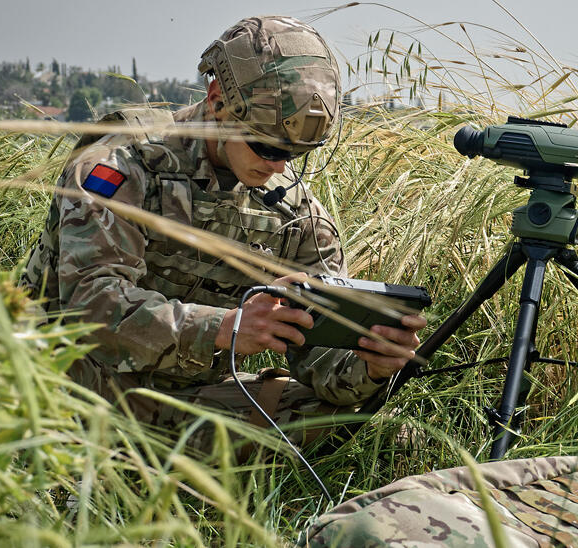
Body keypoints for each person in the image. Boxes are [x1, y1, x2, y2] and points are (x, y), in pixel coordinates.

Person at [21, 15, 426, 453]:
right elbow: (91, 307)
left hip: (181, 398)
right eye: (267, 147)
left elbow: (320, 361)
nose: (278, 166)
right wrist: (226, 329)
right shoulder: (122, 165)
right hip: (63, 386)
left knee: (379, 436)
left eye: (296, 153)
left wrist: (370, 364)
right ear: (217, 102)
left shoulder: (297, 215)